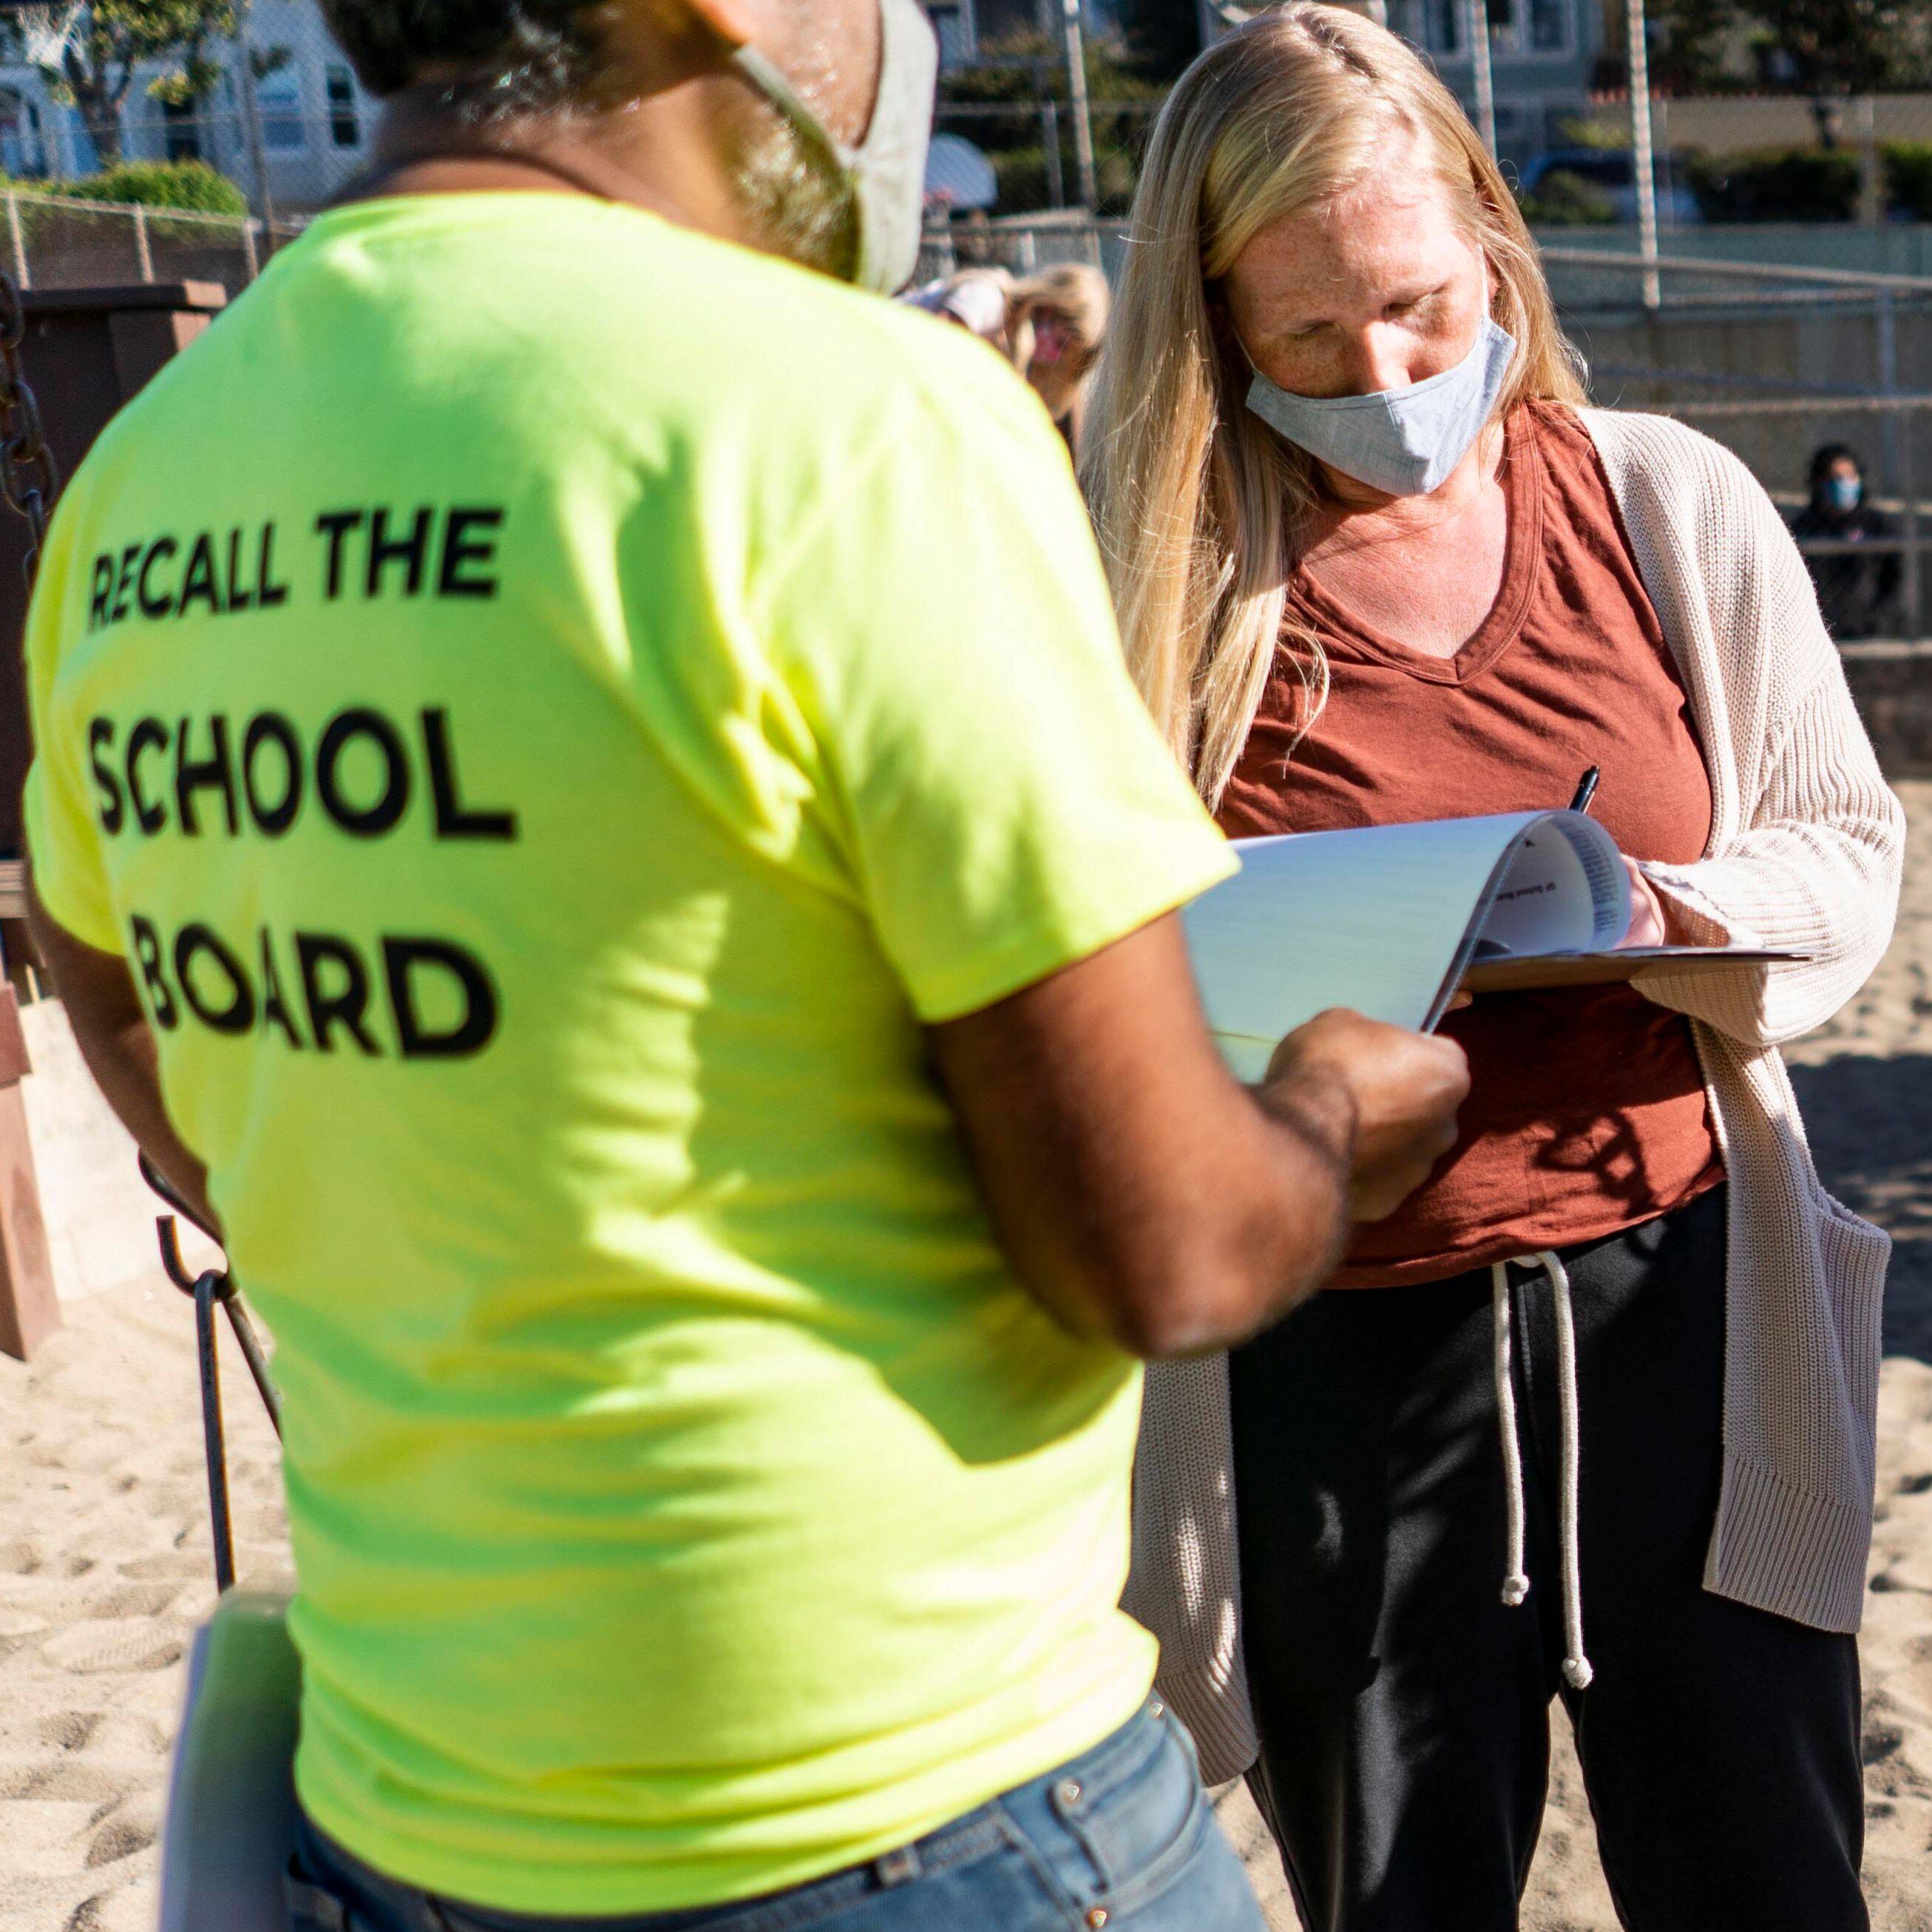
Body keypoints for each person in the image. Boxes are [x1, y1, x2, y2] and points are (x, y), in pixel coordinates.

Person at [21, 2, 1469, 1931]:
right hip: (913, 1791)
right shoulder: (843, 413)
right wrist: (1334, 1107)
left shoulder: (145, 477)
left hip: (412, 1810)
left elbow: (112, 980)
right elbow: (1167, 1247)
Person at [1086, 9, 1903, 1932]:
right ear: (1211, 325)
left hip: (1677, 1309)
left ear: (1490, 239)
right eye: (1303, 341)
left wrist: (1661, 915)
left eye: (1417, 314)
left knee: (1761, 1869)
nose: (1376, 376)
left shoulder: (1658, 499)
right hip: (1317, 1345)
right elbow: (1056, 952)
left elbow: (1844, 843)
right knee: (1396, 1887)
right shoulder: (1148, 570)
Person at [1791, 442, 1905, 641]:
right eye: (1834, 478)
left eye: (1849, 476)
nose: (1843, 484)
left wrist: (1879, 619)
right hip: (1820, 632)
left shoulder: (1877, 525)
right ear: (1818, 483)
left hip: (1871, 630)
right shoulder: (1805, 528)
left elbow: (1894, 579)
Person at [1010, 262, 1109, 458]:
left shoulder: (1058, 393)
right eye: (1059, 342)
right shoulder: (992, 309)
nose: (1054, 356)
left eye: (1064, 353)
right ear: (1048, 307)